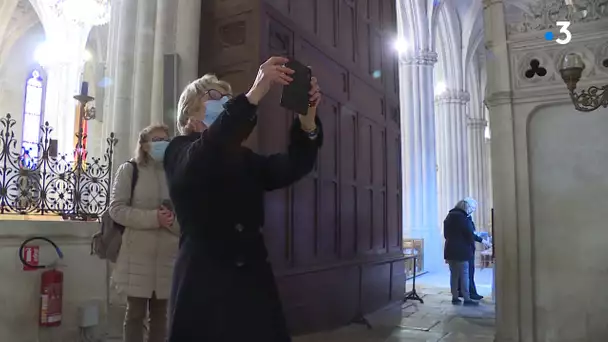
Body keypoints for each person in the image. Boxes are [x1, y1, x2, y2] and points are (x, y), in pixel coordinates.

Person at [164, 56, 323, 342]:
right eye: (213, 95)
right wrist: (255, 92)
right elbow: (205, 155)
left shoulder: (244, 159)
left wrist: (307, 120)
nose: (225, 100)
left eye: (227, 96)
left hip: (252, 283)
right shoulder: (179, 151)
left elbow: (292, 166)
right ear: (189, 116)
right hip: (203, 286)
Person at [109, 124, 179, 342]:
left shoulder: (176, 173)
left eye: (166, 139)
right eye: (156, 140)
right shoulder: (130, 170)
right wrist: (153, 218)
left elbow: (187, 216)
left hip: (167, 257)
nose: (162, 144)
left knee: (161, 316)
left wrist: (171, 222)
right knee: (135, 315)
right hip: (137, 256)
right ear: (145, 145)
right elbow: (116, 209)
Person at [443, 197, 489, 305]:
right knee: (465, 275)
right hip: (462, 251)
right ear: (466, 206)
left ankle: (455, 297)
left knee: (454, 275)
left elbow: (446, 235)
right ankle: (467, 298)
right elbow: (470, 234)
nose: (472, 210)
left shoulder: (449, 217)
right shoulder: (463, 218)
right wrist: (482, 240)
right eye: (472, 208)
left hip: (450, 250)